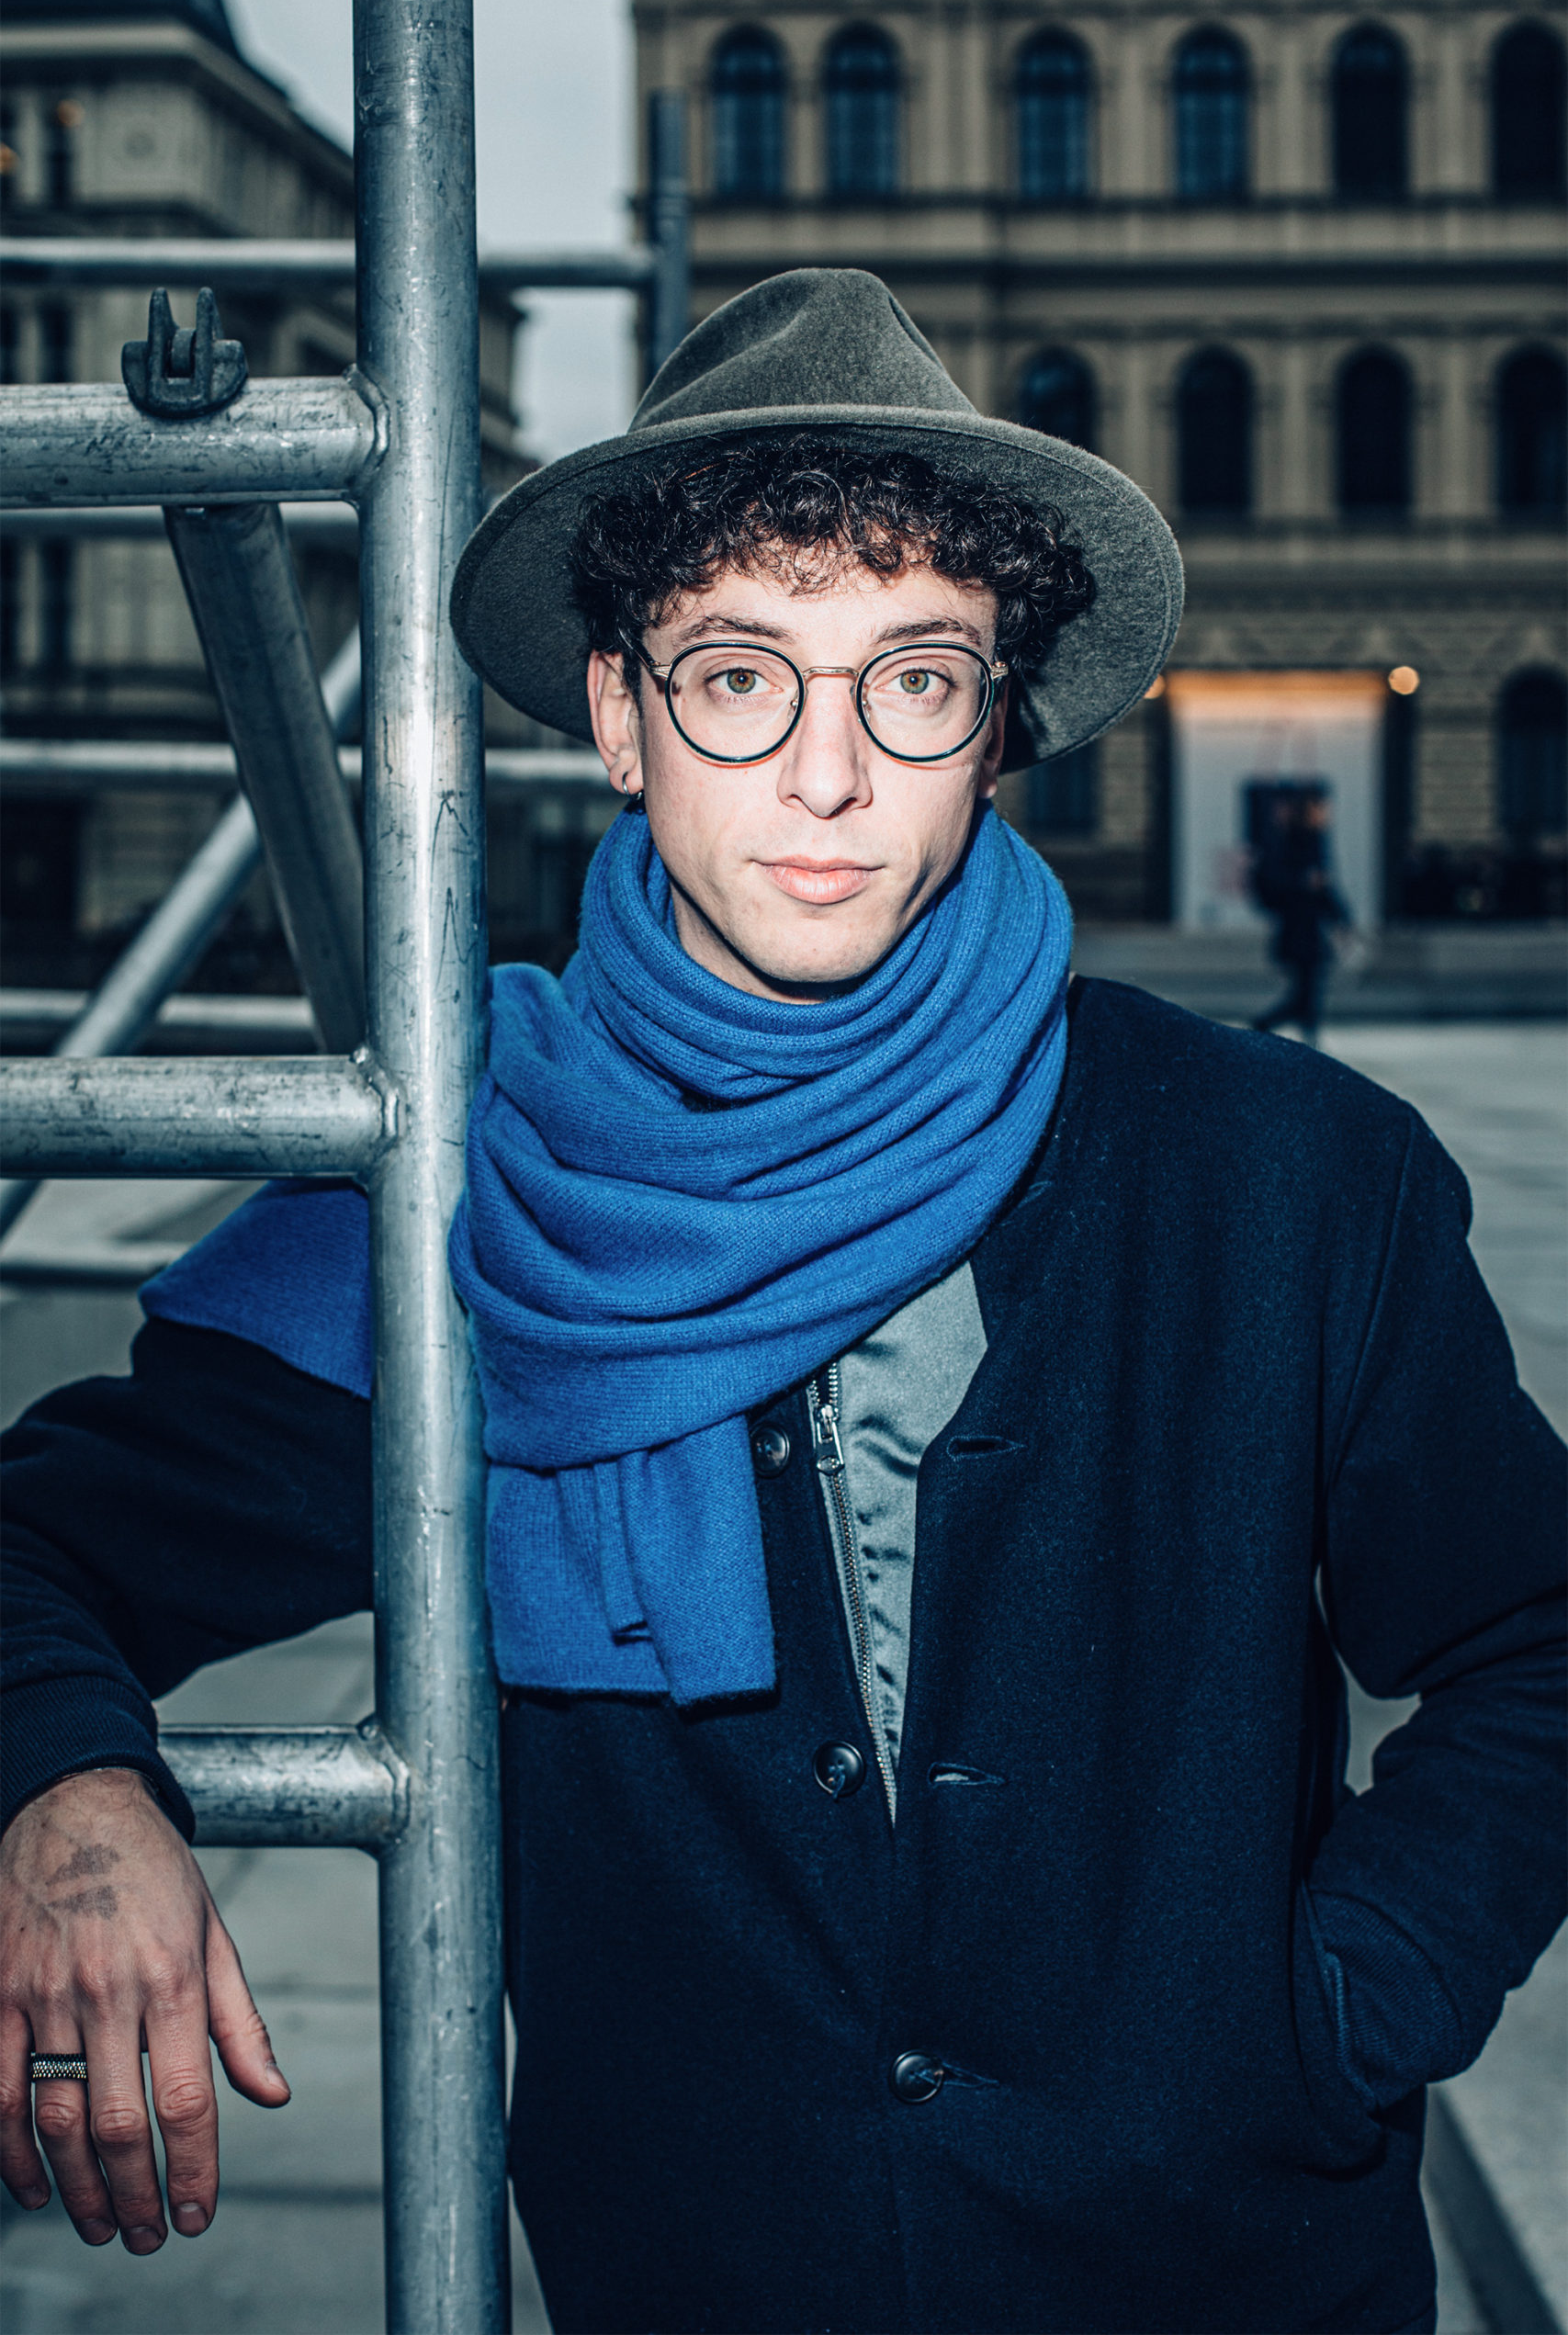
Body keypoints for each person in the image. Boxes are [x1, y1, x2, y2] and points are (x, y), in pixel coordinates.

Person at [3, 272, 1563, 2335]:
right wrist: (65, 1790)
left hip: (1242, 2279)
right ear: (620, 714)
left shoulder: (1288, 1177)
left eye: (912, 679)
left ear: (993, 724)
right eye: (739, 675)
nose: (827, 773)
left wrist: (1343, 2004)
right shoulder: (460, 1193)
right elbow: (41, 1544)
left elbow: (1533, 1639)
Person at [1250, 787, 1351, 1043]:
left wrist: (1342, 918)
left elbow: (1325, 889)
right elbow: (1272, 885)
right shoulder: (1289, 843)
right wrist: (1304, 883)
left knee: (1310, 989)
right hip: (1298, 929)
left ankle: (1304, 1036)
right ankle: (1269, 1026)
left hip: (1309, 929)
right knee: (1307, 990)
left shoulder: (1313, 842)